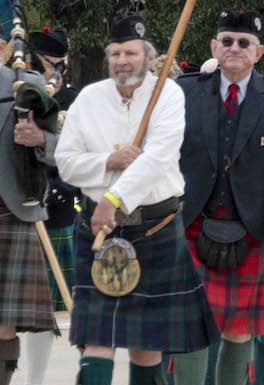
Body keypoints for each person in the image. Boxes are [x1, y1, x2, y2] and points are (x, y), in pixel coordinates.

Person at [58, 15, 220, 384]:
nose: (121, 60)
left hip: (154, 228)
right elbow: (66, 163)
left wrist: (113, 198)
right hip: (97, 231)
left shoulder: (168, 94)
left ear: (148, 57)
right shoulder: (88, 99)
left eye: (130, 52)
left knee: (147, 344)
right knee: (96, 339)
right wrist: (107, 162)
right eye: (114, 53)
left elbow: (158, 158)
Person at [170, 11, 264, 385]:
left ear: (257, 52)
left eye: (243, 43)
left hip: (253, 231)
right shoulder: (184, 92)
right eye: (226, 41)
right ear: (214, 47)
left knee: (240, 329)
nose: (234, 48)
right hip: (191, 224)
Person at [15, 25, 79, 385]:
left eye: (61, 66)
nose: (57, 73)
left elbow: (79, 151)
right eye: (52, 65)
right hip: (12, 208)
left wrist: (62, 189)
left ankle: (35, 380)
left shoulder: (73, 100)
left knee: (44, 310)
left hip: (54, 212)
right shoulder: (14, 91)